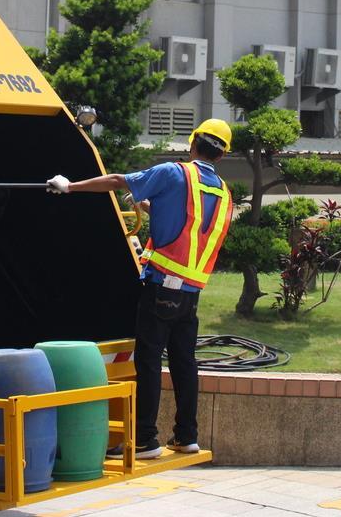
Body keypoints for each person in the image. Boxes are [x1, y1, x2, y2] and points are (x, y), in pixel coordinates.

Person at [46, 119, 233, 460]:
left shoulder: (174, 173)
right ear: (222, 155)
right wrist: (148, 205)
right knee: (183, 363)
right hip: (191, 293)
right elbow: (190, 224)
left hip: (161, 285)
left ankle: (145, 439)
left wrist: (69, 186)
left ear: (193, 143)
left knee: (147, 361)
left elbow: (118, 181)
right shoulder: (222, 191)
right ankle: (186, 436)